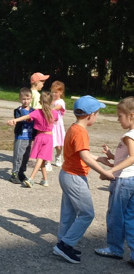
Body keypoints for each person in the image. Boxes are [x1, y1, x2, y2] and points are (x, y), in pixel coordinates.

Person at [54, 95, 114, 263]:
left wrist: (98, 158)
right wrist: (105, 172)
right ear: (90, 115)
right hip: (75, 177)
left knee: (69, 213)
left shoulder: (73, 128)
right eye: (97, 113)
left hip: (66, 175)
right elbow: (85, 157)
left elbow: (81, 154)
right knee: (87, 214)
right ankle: (65, 246)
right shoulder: (81, 132)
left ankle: (62, 242)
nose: (97, 116)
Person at [94, 96, 134, 261]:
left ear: (131, 115)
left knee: (116, 215)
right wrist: (111, 155)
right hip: (131, 179)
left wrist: (111, 172)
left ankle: (115, 248)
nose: (118, 120)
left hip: (123, 181)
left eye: (120, 116)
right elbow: (125, 158)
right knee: (130, 217)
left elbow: (132, 158)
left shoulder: (129, 136)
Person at [7, 91, 58, 187]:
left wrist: (14, 120)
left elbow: (26, 117)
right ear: (51, 102)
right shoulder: (54, 113)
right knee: (41, 158)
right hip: (48, 138)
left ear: (39, 101)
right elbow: (55, 120)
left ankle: (33, 178)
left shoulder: (37, 112)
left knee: (40, 158)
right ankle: (42, 179)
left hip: (39, 137)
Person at [10, 88, 34, 184]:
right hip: (20, 137)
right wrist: (27, 119)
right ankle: (14, 173)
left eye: (28, 99)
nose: (26, 101)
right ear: (20, 99)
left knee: (26, 157)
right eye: (23, 99)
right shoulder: (18, 110)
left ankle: (21, 172)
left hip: (29, 137)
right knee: (18, 156)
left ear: (31, 99)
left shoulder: (33, 111)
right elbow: (18, 118)